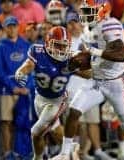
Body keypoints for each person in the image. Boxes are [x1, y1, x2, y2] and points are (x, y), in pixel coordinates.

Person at [51, 1, 124, 160]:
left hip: (116, 83)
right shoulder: (92, 28)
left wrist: (92, 51)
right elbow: (92, 58)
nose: (84, 15)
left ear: (101, 11)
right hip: (96, 82)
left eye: (88, 11)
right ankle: (65, 154)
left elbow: (120, 55)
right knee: (73, 112)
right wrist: (76, 63)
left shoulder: (110, 25)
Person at [14, 26, 78, 160]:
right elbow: (29, 65)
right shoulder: (37, 51)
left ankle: (40, 158)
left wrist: (93, 69)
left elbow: (88, 74)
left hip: (57, 100)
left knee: (36, 132)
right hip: (40, 98)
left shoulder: (71, 59)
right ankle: (72, 149)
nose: (62, 50)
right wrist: (21, 71)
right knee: (54, 131)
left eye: (64, 46)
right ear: (48, 42)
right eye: (58, 45)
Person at [65, 12, 114, 160]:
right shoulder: (64, 42)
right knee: (78, 123)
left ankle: (96, 151)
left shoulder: (90, 39)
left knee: (93, 121)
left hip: (91, 87)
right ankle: (77, 153)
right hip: (72, 88)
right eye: (70, 23)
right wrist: (85, 71)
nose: (73, 26)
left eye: (76, 22)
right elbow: (67, 67)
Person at [0, 16, 31, 159]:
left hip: (23, 89)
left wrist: (27, 86)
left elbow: (31, 67)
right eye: (9, 26)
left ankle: (21, 151)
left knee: (22, 122)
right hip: (6, 91)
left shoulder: (26, 45)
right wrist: (12, 87)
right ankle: (8, 152)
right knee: (6, 121)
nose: (12, 28)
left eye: (14, 26)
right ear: (5, 28)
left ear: (18, 27)